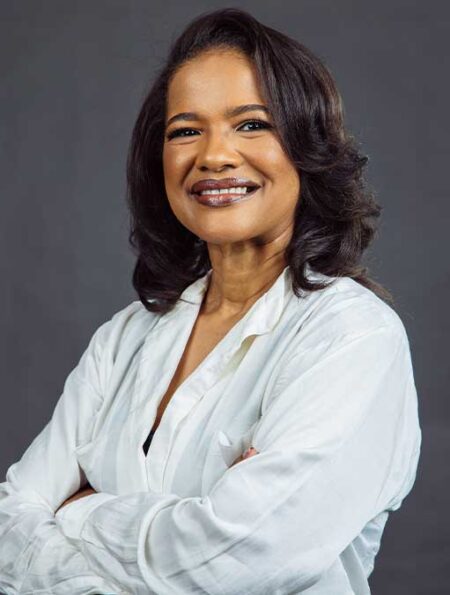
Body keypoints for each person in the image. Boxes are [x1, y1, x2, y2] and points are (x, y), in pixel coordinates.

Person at [0, 7, 421, 594]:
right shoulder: (123, 338)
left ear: (307, 146)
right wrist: (186, 526)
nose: (214, 155)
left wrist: (79, 512)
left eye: (251, 124)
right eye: (185, 131)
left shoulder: (353, 337)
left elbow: (245, 558)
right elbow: (9, 524)